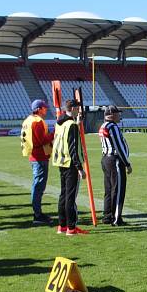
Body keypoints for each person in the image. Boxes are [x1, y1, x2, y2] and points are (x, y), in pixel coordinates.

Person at [52, 99, 87, 235]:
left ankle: (62, 226)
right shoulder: (71, 125)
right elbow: (73, 147)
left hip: (61, 161)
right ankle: (71, 227)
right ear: (72, 108)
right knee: (70, 197)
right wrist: (79, 168)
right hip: (70, 163)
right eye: (77, 108)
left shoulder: (60, 122)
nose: (79, 111)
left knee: (63, 195)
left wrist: (76, 125)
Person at [21, 99, 54, 225]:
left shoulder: (28, 120)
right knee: (39, 186)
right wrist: (54, 134)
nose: (46, 109)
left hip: (34, 156)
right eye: (44, 108)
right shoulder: (38, 121)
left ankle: (38, 213)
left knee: (37, 185)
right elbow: (42, 140)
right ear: (39, 109)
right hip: (39, 157)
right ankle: (38, 214)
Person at [98, 105, 132, 226]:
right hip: (114, 160)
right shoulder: (113, 127)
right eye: (118, 113)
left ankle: (107, 216)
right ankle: (116, 218)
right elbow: (119, 147)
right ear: (111, 115)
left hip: (105, 159)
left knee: (108, 190)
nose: (119, 115)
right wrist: (127, 163)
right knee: (118, 190)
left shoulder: (103, 126)